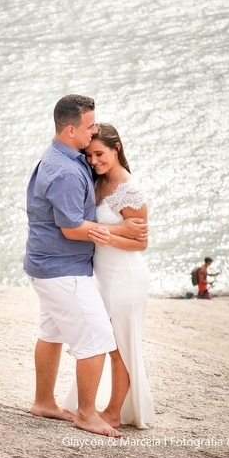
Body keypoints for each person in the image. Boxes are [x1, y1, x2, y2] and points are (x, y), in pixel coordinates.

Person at [23, 95, 148, 438]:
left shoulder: (62, 157)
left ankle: (44, 401)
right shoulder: (65, 171)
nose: (94, 131)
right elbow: (71, 228)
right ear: (70, 129)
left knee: (51, 332)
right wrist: (121, 229)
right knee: (96, 340)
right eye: (90, 125)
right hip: (63, 269)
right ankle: (88, 414)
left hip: (46, 265)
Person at [62, 123, 155, 429]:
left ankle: (114, 412)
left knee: (119, 349)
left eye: (99, 154)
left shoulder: (130, 191)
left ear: (117, 148)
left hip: (126, 278)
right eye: (89, 155)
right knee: (103, 340)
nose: (93, 161)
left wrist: (109, 237)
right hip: (103, 277)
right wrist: (114, 231)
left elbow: (141, 242)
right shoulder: (96, 180)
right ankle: (100, 407)